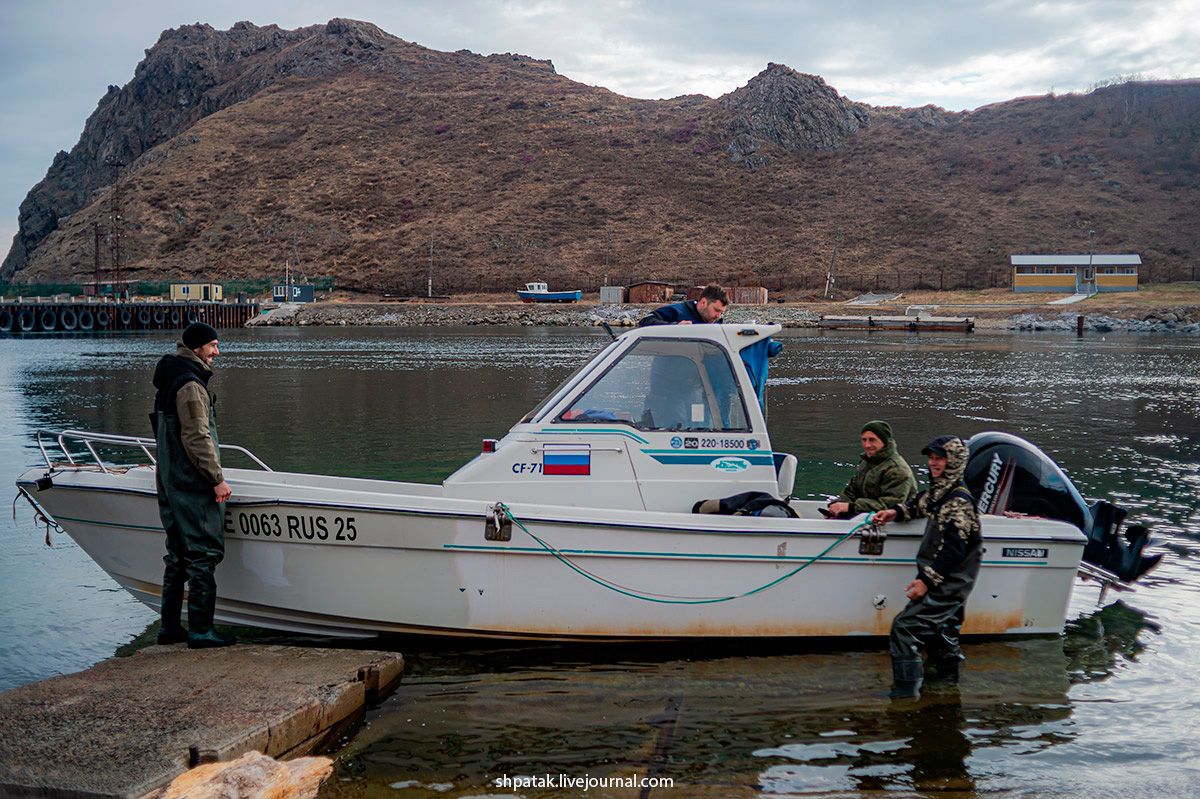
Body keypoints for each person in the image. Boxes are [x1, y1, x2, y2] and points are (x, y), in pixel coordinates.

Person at [871, 436, 982, 698]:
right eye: (931, 458)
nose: (933, 463)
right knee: (942, 635)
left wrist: (926, 582)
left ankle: (905, 695)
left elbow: (954, 550)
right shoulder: (941, 493)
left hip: (949, 585)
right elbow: (920, 503)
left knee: (905, 628)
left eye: (939, 458)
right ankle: (945, 693)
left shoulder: (959, 502)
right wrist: (895, 513)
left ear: (953, 462)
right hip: (948, 583)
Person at [151, 321, 236, 649]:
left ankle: (169, 629)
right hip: (192, 484)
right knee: (203, 553)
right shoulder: (190, 384)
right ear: (197, 348)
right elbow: (197, 436)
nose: (217, 352)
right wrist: (216, 479)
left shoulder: (169, 379)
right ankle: (201, 631)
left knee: (177, 554)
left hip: (170, 481)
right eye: (213, 345)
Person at [824, 421, 917, 518]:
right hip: (866, 515)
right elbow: (851, 491)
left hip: (895, 523)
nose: (867, 445)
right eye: (864, 440)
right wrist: (836, 508)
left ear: (884, 441)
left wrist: (851, 507)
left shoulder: (897, 470)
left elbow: (889, 506)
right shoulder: (866, 463)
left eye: (872, 440)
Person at [638, 284, 728, 326]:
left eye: (721, 312)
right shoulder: (676, 311)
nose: (718, 316)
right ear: (703, 302)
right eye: (716, 310)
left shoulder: (715, 323)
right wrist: (676, 327)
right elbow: (645, 321)